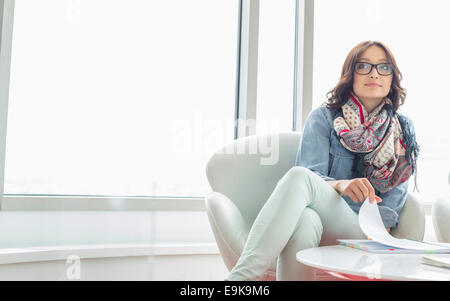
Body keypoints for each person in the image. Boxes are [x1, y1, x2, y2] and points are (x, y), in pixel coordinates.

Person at [224, 40, 420, 281]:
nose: (374, 74)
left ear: (392, 78)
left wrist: (379, 231)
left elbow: (395, 199)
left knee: (300, 188)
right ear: (351, 74)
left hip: (371, 230)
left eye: (383, 67)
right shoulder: (324, 118)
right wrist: (341, 185)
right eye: (363, 66)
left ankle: (238, 280)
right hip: (327, 218)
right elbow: (309, 174)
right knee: (306, 218)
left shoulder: (403, 128)